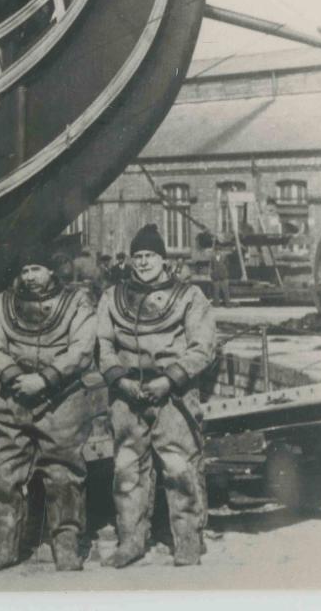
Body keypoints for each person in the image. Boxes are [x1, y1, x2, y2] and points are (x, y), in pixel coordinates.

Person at [98, 224, 216, 568]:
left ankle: (188, 541)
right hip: (127, 393)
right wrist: (119, 379)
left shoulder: (189, 296)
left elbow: (202, 346)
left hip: (172, 394)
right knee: (127, 468)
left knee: (179, 465)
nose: (143, 262)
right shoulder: (112, 296)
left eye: (150, 255)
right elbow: (103, 343)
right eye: (138, 256)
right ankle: (131, 541)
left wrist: (170, 379)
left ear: (163, 259)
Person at [0, 243, 97, 572]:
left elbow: (82, 347)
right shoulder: (2, 303)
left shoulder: (77, 302)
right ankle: (5, 546)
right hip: (14, 397)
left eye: (37, 269)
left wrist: (45, 378)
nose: (30, 276)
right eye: (25, 270)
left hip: (62, 397)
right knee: (3, 474)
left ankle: (66, 545)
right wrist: (17, 376)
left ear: (51, 270)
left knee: (63, 475)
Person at [210, 242, 232, 307]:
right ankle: (216, 304)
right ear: (215, 251)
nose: (218, 252)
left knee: (226, 291)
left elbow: (227, 265)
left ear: (221, 251)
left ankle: (227, 304)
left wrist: (224, 272)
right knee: (216, 292)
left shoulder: (224, 257)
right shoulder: (212, 258)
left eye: (219, 250)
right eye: (216, 250)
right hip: (216, 277)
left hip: (223, 276)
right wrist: (213, 275)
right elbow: (212, 266)